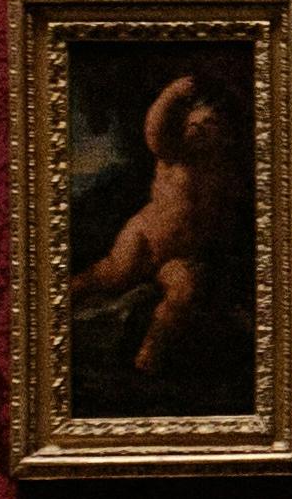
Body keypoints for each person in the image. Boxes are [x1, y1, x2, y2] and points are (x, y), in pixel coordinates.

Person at [67, 69, 239, 377]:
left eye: (209, 124)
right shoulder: (173, 154)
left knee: (184, 292)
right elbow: (154, 132)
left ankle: (150, 350)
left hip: (181, 256)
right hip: (144, 239)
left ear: (226, 136)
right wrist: (172, 94)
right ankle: (63, 295)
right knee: (111, 275)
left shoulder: (223, 171)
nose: (198, 130)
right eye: (192, 124)